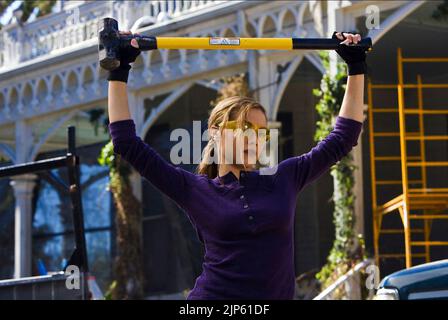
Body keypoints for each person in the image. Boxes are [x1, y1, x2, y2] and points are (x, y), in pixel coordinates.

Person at [106, 31, 366, 299]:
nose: (253, 138)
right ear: (217, 134)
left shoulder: (284, 179)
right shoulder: (194, 190)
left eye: (260, 132)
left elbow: (343, 138)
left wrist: (355, 67)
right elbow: (126, 143)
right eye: (242, 129)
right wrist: (120, 68)